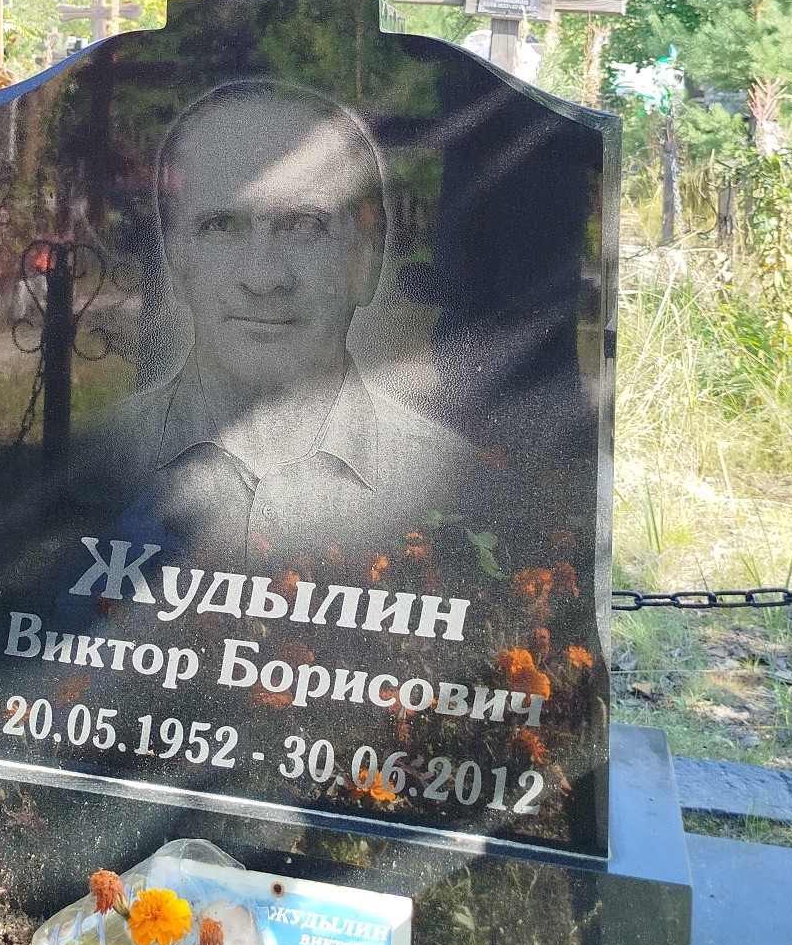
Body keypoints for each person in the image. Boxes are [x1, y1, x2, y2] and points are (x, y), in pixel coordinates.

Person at [77, 80, 487, 581]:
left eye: (304, 226)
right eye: (222, 226)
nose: (263, 278)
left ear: (364, 260)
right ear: (177, 260)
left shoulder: (456, 480)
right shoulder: (91, 460)